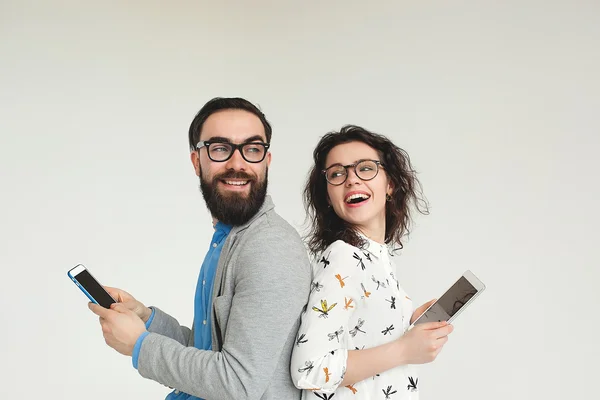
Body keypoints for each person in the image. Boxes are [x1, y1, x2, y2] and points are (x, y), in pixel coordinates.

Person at [88, 97, 312, 400]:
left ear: (266, 162)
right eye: (220, 149)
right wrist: (146, 321)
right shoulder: (230, 237)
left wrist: (139, 345)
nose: (238, 163)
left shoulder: (269, 248)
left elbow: (237, 383)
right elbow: (209, 353)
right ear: (197, 162)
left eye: (253, 149)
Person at [290, 125, 454, 399]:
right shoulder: (344, 256)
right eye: (337, 173)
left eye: (365, 168)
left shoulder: (375, 257)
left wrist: (407, 325)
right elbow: (309, 369)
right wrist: (404, 349)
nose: (351, 180)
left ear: (390, 184)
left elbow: (359, 342)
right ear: (328, 196)